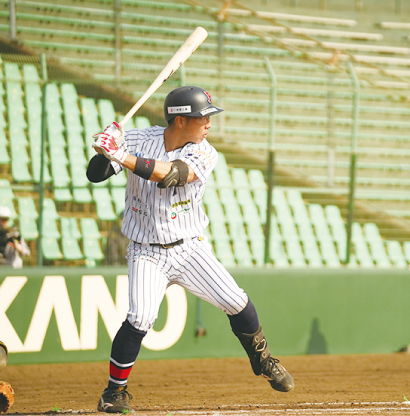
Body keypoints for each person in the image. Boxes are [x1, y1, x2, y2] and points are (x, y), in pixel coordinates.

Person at [86, 86, 294, 413]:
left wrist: (120, 154)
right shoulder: (139, 139)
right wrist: (102, 150)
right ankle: (114, 392)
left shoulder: (205, 151)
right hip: (145, 251)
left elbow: (171, 175)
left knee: (236, 300)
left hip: (189, 249)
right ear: (180, 120)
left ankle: (263, 360)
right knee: (140, 317)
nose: (209, 123)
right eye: (202, 117)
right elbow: (95, 175)